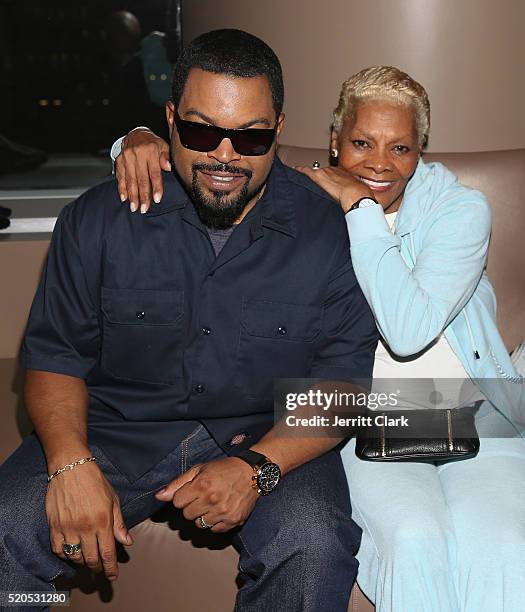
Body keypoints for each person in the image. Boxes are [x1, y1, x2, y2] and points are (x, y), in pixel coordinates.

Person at [114, 66, 525, 612]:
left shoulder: (459, 210)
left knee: (503, 547)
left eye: (400, 147)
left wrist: (360, 210)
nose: (380, 163)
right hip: (365, 421)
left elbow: (408, 331)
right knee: (414, 543)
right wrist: (134, 141)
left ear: (420, 150)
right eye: (361, 143)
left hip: (471, 416)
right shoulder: (299, 196)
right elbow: (220, 166)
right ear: (335, 139)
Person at [0, 30, 379, 612]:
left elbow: (344, 386)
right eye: (202, 131)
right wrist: (70, 463)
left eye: (250, 137)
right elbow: (54, 356)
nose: (224, 156)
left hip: (263, 432)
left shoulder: (328, 230)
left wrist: (258, 467)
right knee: (6, 532)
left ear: (278, 130)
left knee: (314, 543)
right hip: (110, 432)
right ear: (171, 121)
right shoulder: (98, 220)